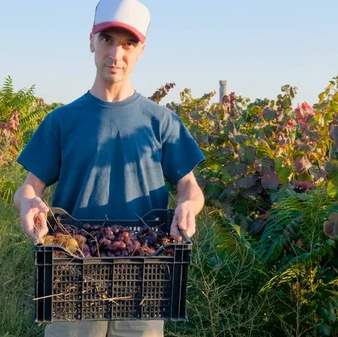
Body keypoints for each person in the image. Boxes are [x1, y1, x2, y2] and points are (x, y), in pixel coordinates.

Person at [13, 0, 206, 336]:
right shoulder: (62, 121)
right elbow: (29, 187)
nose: (117, 54)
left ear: (141, 50)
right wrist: (28, 201)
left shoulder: (162, 122)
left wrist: (188, 205)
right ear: (91, 41)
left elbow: (189, 186)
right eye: (108, 40)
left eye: (128, 43)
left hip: (144, 279)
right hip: (72, 278)